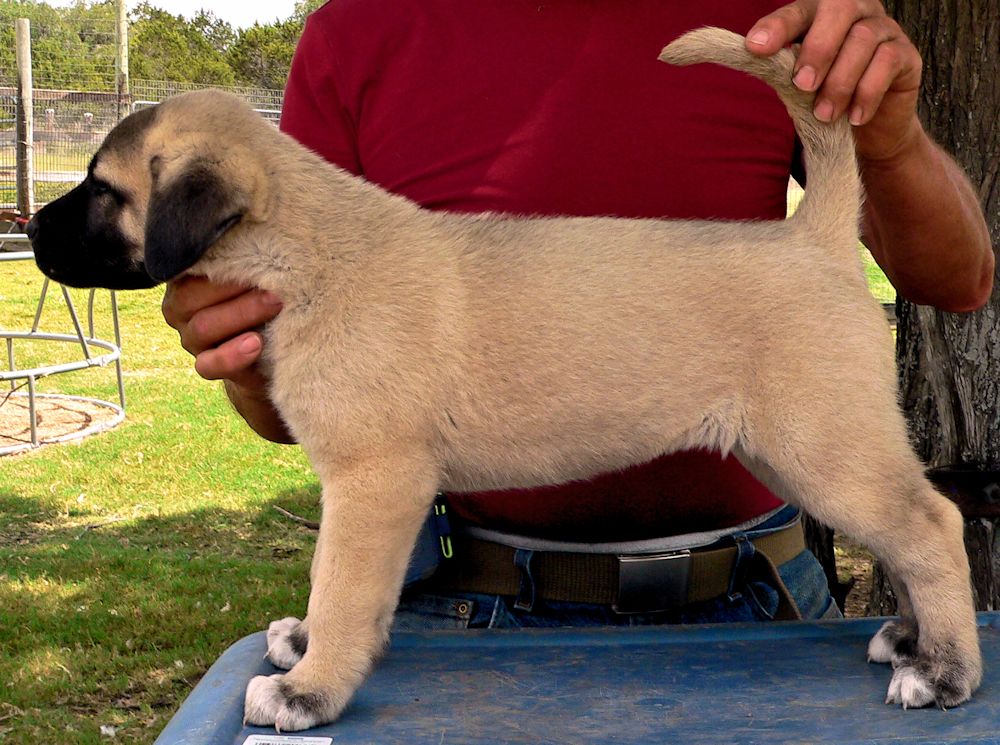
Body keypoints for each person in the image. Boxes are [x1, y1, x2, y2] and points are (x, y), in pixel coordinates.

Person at [162, 1, 993, 629]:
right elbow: (296, 415)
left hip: (755, 592)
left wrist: (887, 135)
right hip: (463, 607)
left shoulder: (776, 17)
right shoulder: (357, 30)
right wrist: (246, 352)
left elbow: (958, 279)